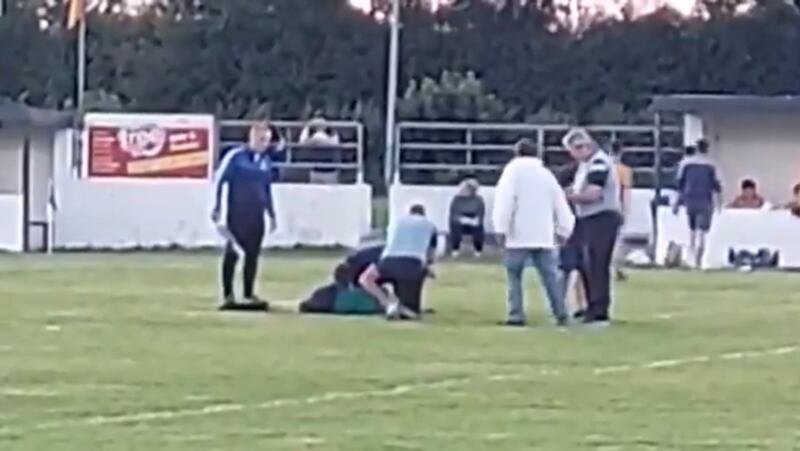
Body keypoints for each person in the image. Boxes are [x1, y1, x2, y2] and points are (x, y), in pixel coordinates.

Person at [493, 138, 575, 327]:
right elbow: (559, 202)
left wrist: (501, 228)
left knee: (514, 276)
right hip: (543, 235)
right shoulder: (546, 174)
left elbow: (505, 202)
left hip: (517, 235)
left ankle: (516, 314)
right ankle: (561, 313)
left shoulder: (512, 173)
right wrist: (564, 229)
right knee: (550, 277)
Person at [211, 121, 283, 311]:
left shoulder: (265, 161)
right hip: (236, 211)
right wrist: (217, 206)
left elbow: (266, 189)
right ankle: (228, 294)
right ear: (251, 137)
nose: (264, 143)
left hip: (256, 214)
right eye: (260, 138)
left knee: (253, 254)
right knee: (233, 252)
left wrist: (271, 213)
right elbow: (220, 180)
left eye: (266, 139)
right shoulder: (236, 157)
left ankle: (249, 292)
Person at [564, 128, 621, 326]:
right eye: (577, 147)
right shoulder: (586, 164)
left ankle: (598, 309)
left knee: (596, 263)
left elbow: (593, 193)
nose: (581, 150)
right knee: (586, 264)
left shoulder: (598, 163)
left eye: (583, 146)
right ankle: (592, 305)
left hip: (600, 217)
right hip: (590, 218)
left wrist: (569, 197)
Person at [359, 204, 438, 320]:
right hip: (413, 265)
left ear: (409, 213)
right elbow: (430, 257)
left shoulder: (396, 223)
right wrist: (427, 269)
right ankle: (407, 308)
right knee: (411, 311)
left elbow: (389, 243)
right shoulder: (431, 226)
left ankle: (387, 303)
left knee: (366, 279)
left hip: (388, 261)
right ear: (424, 214)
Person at [673, 139, 722, 268]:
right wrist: (719, 204)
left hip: (690, 200)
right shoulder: (711, 165)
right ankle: (699, 260)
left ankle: (691, 259)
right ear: (707, 149)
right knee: (702, 232)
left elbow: (679, 185)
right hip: (705, 200)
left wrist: (677, 203)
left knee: (692, 230)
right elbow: (716, 186)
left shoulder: (685, 164)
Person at [555, 161, 588, 319]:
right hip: (577, 230)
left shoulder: (564, 198)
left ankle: (561, 304)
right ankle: (579, 304)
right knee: (577, 268)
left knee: (567, 269)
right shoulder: (572, 197)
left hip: (570, 231)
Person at [610, 141, 633, 282]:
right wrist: (625, 210)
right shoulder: (624, 170)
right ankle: (615, 269)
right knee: (617, 242)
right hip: (616, 208)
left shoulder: (602, 167)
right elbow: (626, 192)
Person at [448, 178, 486, 257]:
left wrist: (473, 220)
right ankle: (455, 249)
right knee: (455, 226)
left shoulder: (478, 200)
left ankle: (478, 250)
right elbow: (454, 213)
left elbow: (480, 213)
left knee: (478, 228)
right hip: (459, 221)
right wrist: (462, 220)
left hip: (473, 222)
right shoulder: (457, 199)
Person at [298, 117, 341, 184]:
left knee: (331, 193)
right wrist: (308, 126)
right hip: (315, 170)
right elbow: (302, 142)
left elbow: (335, 143)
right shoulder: (312, 134)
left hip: (330, 171)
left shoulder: (331, 134)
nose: (319, 126)